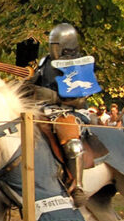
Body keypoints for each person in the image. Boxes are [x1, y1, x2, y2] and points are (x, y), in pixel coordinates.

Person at [24, 23, 101, 208]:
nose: (53, 49)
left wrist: (52, 96)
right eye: (52, 44)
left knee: (72, 143)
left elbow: (81, 99)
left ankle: (78, 187)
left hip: (70, 111)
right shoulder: (45, 62)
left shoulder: (81, 64)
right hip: (44, 110)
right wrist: (25, 85)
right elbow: (35, 82)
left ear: (67, 44)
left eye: (56, 45)